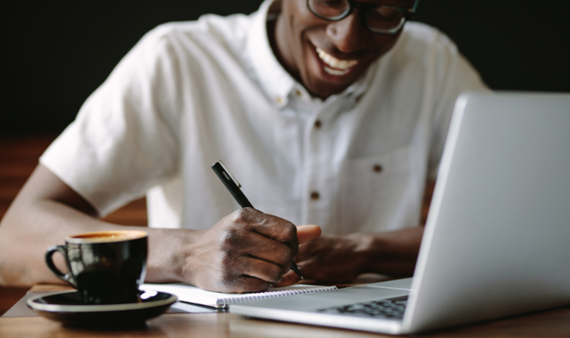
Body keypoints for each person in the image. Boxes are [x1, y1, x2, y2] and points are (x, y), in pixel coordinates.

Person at [0, 0, 487, 292]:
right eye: (327, 1)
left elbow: (510, 227)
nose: (347, 38)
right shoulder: (178, 61)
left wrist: (364, 251)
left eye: (384, 11)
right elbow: (13, 241)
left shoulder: (432, 64)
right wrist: (185, 255)